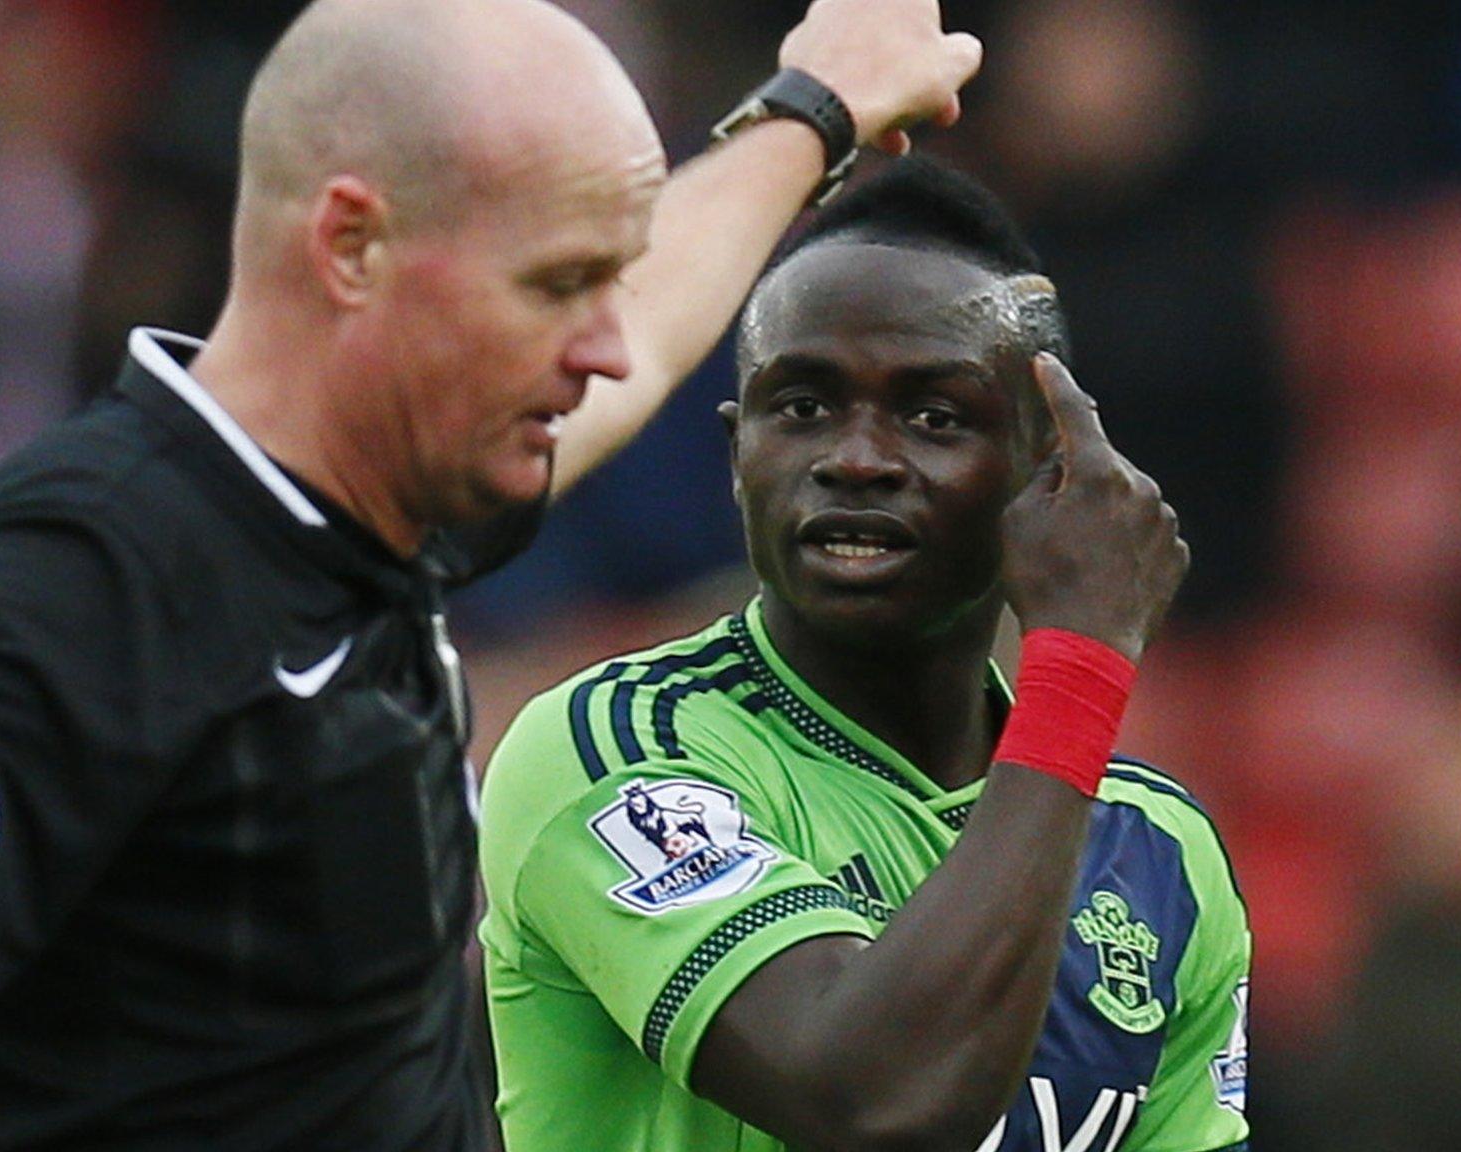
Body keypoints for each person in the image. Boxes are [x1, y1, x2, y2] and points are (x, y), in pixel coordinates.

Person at [0, 1, 984, 1150]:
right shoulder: (94, 566)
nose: (599, 344)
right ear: (353, 247)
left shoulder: (378, 504)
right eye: (557, 285)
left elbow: (642, 338)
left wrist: (813, 106)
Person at [478, 159, 1248, 1152]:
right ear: (735, 455)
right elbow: (870, 1102)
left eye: (932, 416)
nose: (855, 459)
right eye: (800, 406)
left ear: (1042, 480)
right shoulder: (615, 752)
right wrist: (1084, 658)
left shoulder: (1158, 853)